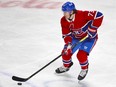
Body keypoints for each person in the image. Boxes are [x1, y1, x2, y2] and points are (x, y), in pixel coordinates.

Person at [55, 1, 104, 80]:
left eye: (66, 12)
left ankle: (84, 69)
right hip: (76, 38)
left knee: (81, 55)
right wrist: (69, 43)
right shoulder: (63, 20)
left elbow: (99, 15)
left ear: (72, 12)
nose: (64, 14)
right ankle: (66, 66)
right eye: (63, 12)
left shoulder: (82, 15)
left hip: (89, 39)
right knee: (65, 52)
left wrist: (92, 29)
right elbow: (66, 34)